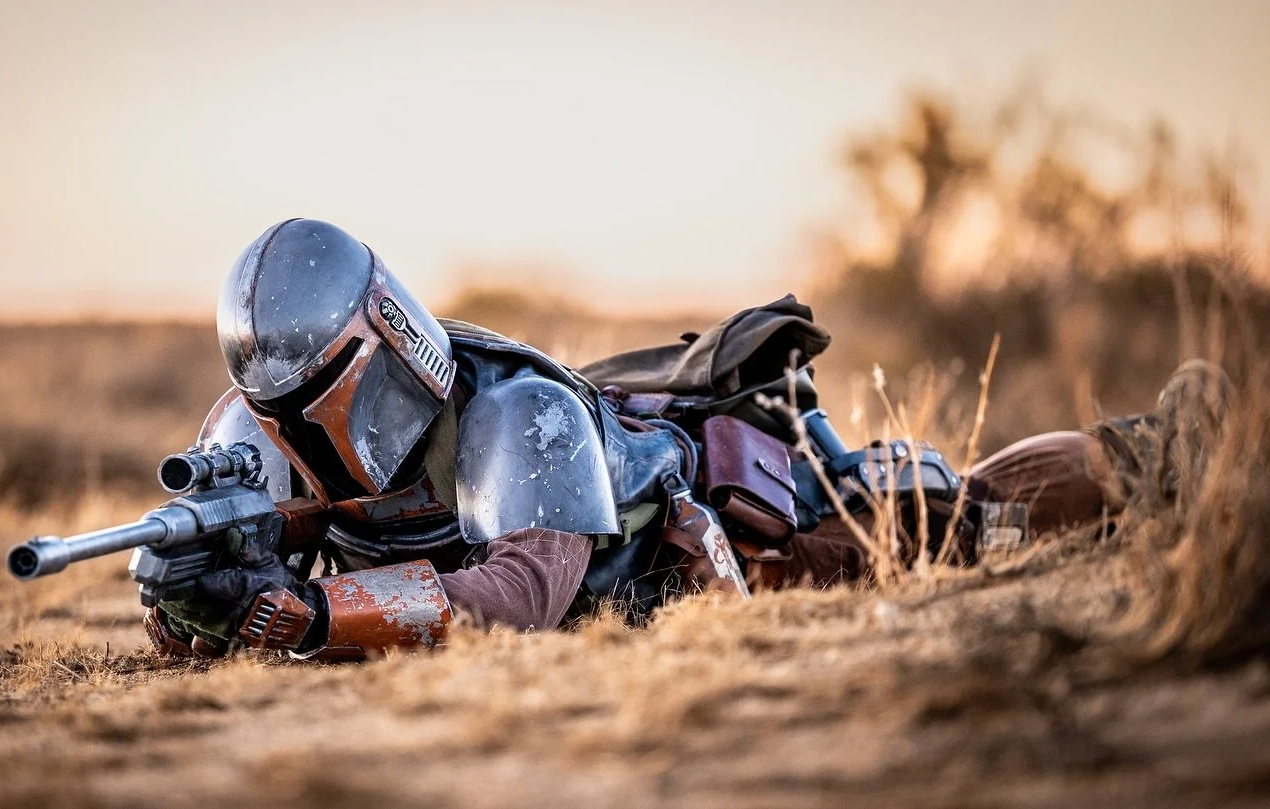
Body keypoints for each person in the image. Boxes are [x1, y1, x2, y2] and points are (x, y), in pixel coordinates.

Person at [145, 219, 1222, 660]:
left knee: (959, 521)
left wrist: (313, 614)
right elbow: (221, 618)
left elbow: (526, 596)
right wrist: (184, 597)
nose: (304, 423)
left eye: (327, 384)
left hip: (717, 555)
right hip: (612, 593)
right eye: (284, 403)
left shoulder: (520, 412)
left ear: (383, 342)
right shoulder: (244, 439)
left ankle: (1164, 453)